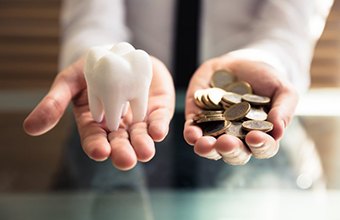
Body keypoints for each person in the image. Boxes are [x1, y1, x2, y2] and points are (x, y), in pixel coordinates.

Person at [23, 0, 333, 189]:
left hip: (269, 181)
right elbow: (92, 16)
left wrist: (267, 63)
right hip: (131, 119)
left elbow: (291, 25)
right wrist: (97, 58)